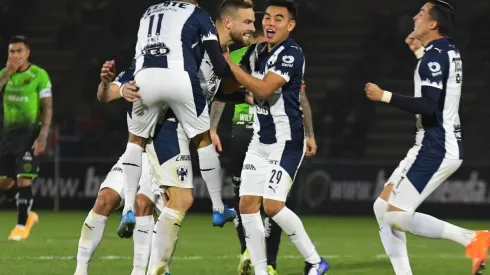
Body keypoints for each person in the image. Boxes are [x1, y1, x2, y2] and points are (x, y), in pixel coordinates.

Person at [365, 1, 490, 275]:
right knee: (381, 207)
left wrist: (384, 95)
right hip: (431, 143)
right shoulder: (446, 50)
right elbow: (437, 72)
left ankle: (471, 238)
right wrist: (419, 50)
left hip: (436, 146)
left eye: (420, 13)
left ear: (433, 24)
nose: (414, 16)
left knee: (395, 215)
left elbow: (428, 105)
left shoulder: (433, 58)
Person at [145, 1, 260, 274]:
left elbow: (213, 92)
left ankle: (156, 268)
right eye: (248, 22)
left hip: (182, 129)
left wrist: (240, 97)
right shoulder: (193, 43)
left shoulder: (222, 53)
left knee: (173, 202)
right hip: (164, 126)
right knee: (160, 201)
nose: (253, 28)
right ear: (228, 22)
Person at [223, 1, 328, 274]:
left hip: (287, 141)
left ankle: (316, 262)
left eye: (278, 19)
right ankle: (261, 270)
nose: (269, 23)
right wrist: (220, 59)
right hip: (260, 141)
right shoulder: (256, 51)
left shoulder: (291, 53)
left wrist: (228, 64)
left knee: (272, 206)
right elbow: (234, 84)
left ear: (290, 26)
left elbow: (264, 88)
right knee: (247, 206)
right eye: (267, 17)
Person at [118, 0, 239, 236]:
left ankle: (128, 210)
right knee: (203, 141)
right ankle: (218, 208)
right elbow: (217, 61)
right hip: (179, 76)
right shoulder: (198, 13)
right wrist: (235, 78)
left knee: (135, 141)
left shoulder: (148, 12)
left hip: (145, 77)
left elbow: (137, 56)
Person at [74, 61, 172, 275]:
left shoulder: (177, 67)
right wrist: (105, 83)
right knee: (104, 200)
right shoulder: (136, 68)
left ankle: (143, 271)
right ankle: (80, 271)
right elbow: (105, 96)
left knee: (143, 205)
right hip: (134, 152)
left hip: (161, 154)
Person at [0, 36, 53, 241]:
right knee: (4, 183)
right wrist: (6, 74)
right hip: (8, 136)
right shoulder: (4, 75)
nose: (14, 55)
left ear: (27, 52)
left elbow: (47, 107)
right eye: (11, 51)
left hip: (30, 134)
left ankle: (21, 225)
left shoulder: (39, 75)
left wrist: (43, 135)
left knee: (24, 179)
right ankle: (29, 214)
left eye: (18, 51)